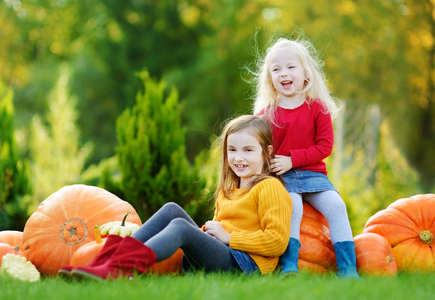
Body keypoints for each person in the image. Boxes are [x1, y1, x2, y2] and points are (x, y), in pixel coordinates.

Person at [58, 115, 292, 280]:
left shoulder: (269, 187)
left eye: (248, 150)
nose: (238, 158)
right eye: (232, 150)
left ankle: (122, 269)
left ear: (267, 152)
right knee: (171, 210)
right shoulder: (229, 190)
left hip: (246, 265)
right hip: (224, 254)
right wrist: (207, 234)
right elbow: (217, 230)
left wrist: (230, 238)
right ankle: (105, 263)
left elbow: (277, 241)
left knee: (180, 227)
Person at [251, 37, 359, 278]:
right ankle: (289, 265)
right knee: (293, 208)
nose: (283, 73)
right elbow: (260, 150)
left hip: (314, 175)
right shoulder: (266, 114)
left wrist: (292, 159)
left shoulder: (317, 107)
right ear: (270, 78)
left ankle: (348, 270)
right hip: (283, 177)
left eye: (290, 67)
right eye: (276, 69)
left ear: (306, 73)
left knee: (337, 206)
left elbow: (324, 147)